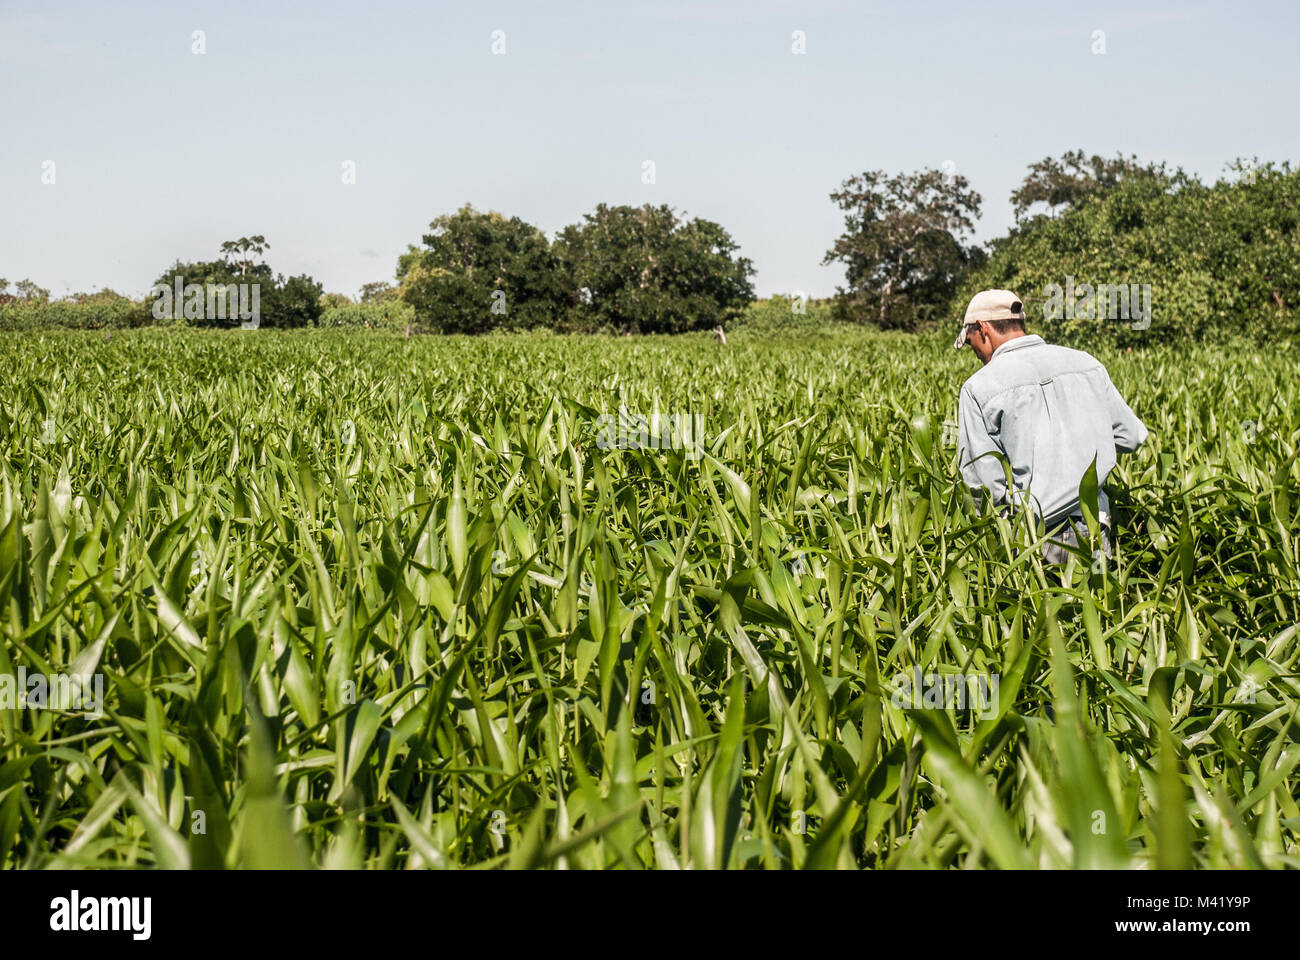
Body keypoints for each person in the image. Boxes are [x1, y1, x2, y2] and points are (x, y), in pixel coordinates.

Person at [953, 289, 1148, 563]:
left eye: (972, 343)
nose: (977, 354)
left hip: (1035, 539)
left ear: (983, 329)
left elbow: (982, 486)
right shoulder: (1086, 364)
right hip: (1094, 529)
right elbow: (1132, 436)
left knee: (1044, 606)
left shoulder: (978, 388)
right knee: (1099, 603)